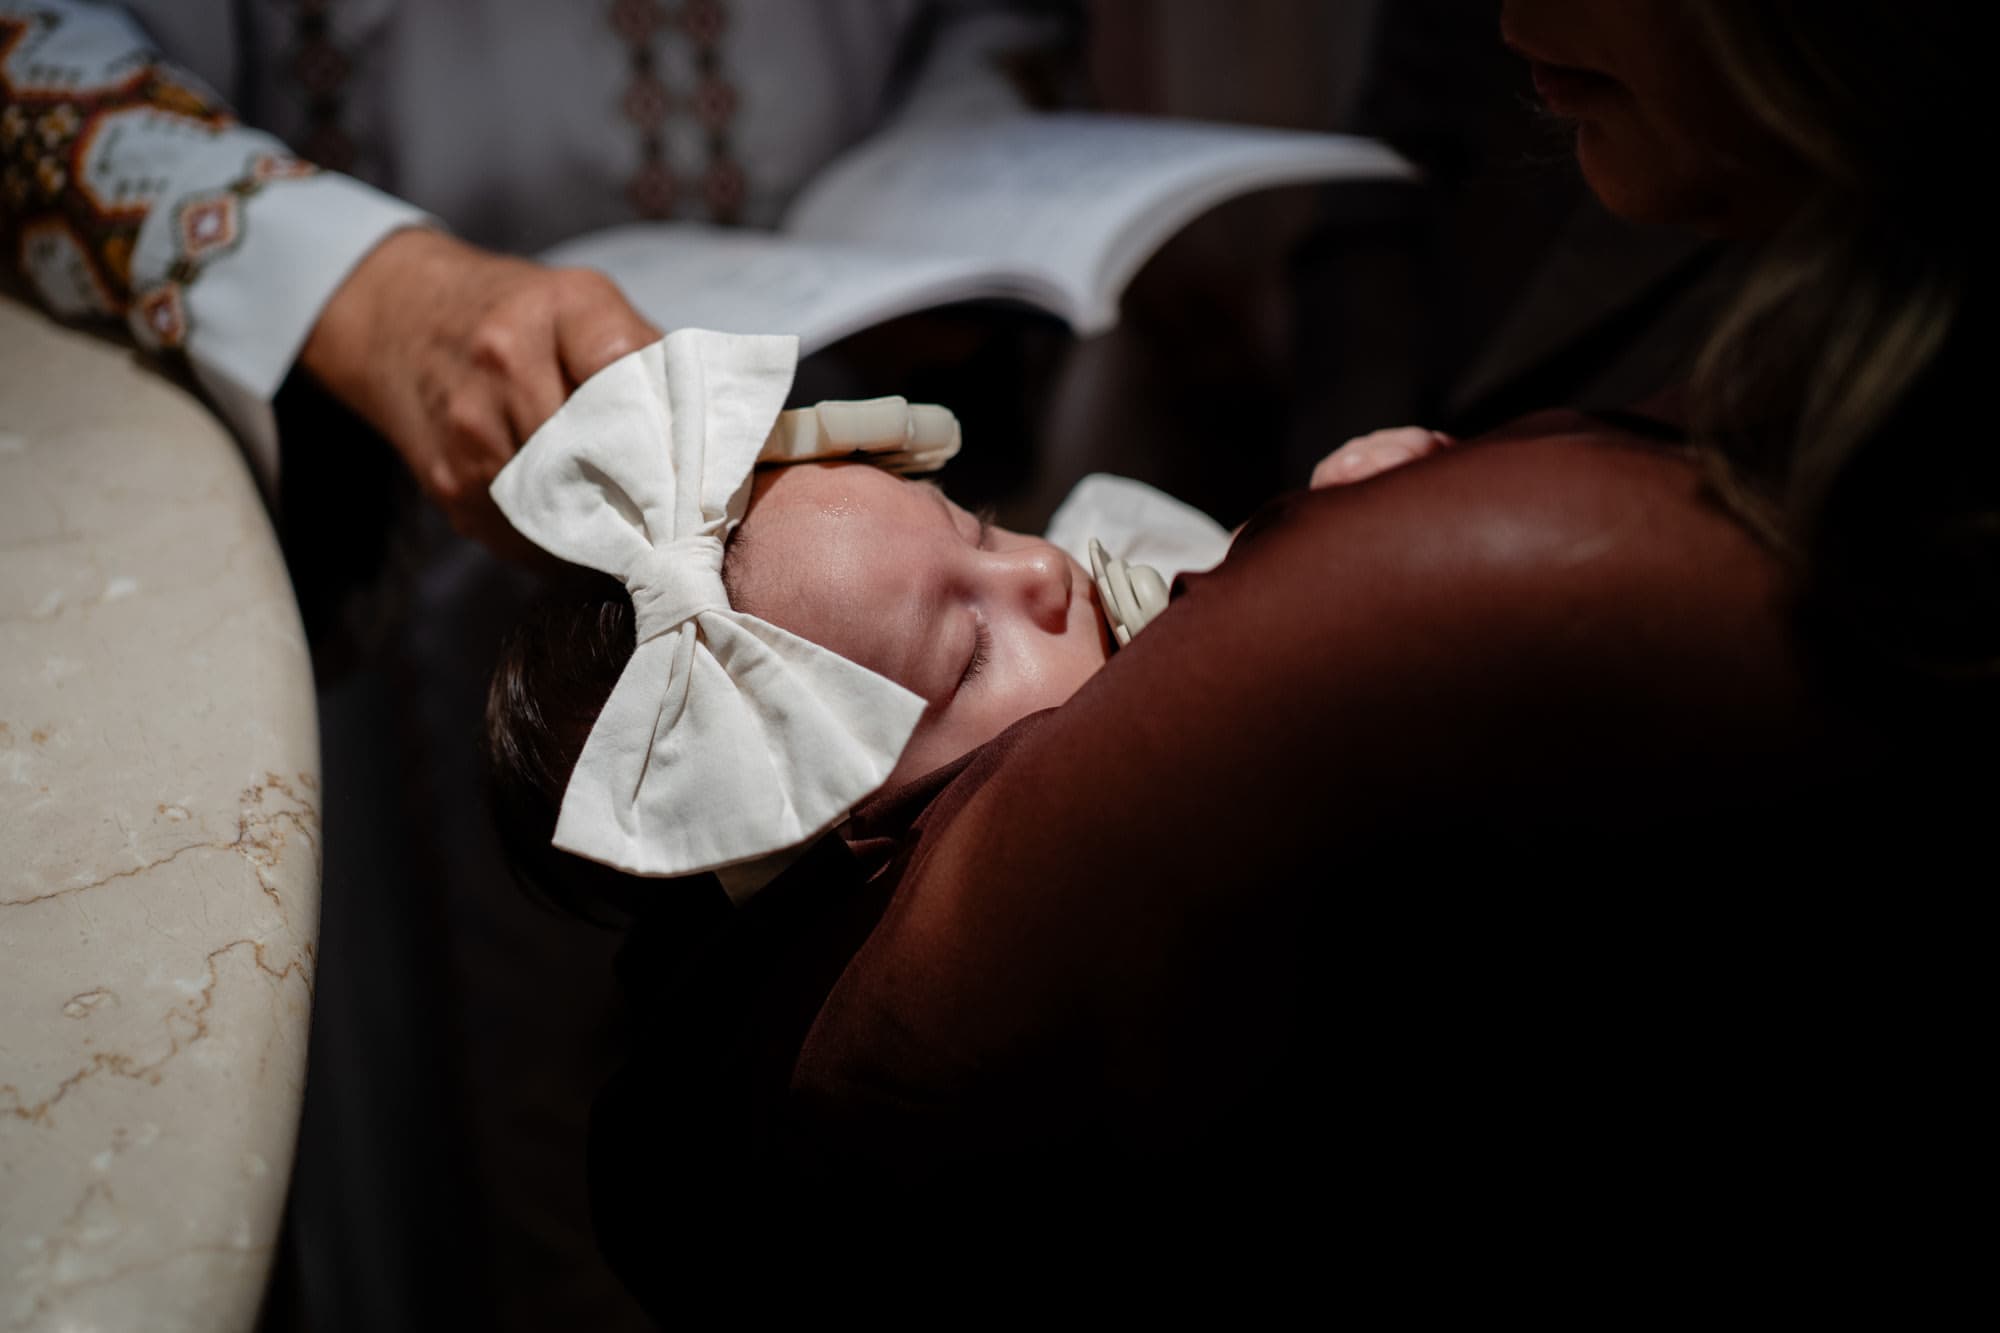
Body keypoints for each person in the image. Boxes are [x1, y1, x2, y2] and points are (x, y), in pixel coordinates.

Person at [479, 0, 1991, 1299]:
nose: (1056, 578)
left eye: (993, 532)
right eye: (957, 662)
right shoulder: (949, 946)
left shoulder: (1332, 621)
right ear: (845, 827)